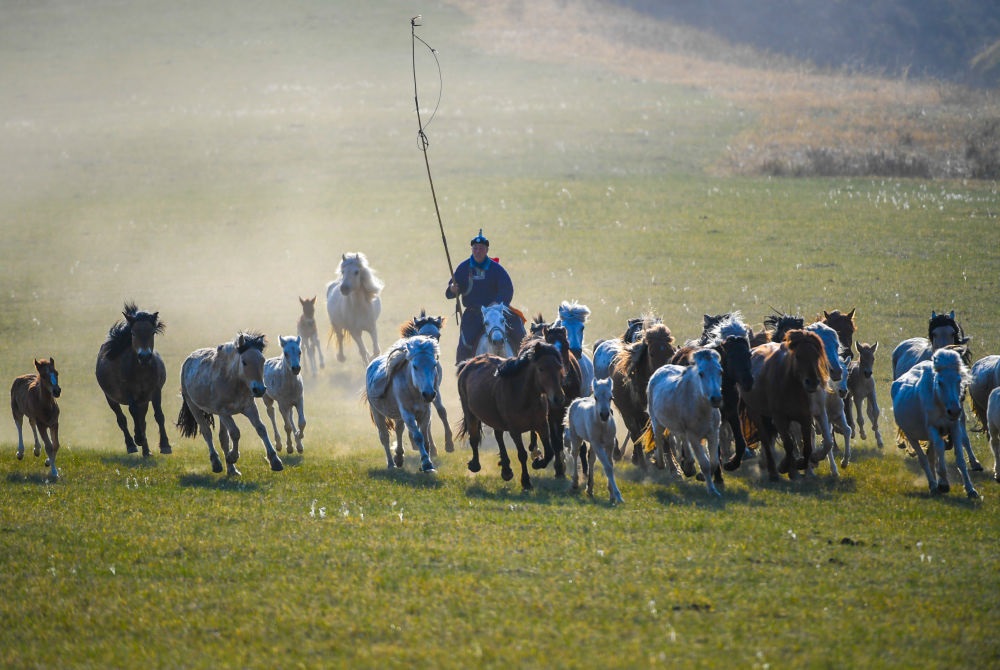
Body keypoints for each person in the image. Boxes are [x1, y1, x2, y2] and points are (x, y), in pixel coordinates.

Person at [445, 229, 526, 364]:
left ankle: (525, 361)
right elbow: (450, 290)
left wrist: (497, 303)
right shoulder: (463, 268)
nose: (478, 251)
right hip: (474, 313)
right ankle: (462, 369)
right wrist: (452, 289)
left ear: (487, 250)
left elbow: (507, 289)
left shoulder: (496, 269)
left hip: (496, 311)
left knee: (518, 330)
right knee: (465, 342)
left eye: (481, 248)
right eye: (475, 248)